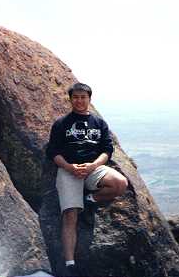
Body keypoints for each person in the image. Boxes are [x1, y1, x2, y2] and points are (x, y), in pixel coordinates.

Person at [46, 83, 128, 276]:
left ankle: (89, 200)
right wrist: (68, 167)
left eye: (83, 97)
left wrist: (93, 166)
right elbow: (53, 152)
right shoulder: (61, 123)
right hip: (68, 170)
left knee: (121, 183)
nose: (80, 100)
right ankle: (69, 262)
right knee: (70, 215)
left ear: (89, 99)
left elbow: (107, 150)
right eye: (76, 97)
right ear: (70, 99)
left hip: (93, 169)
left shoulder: (99, 123)